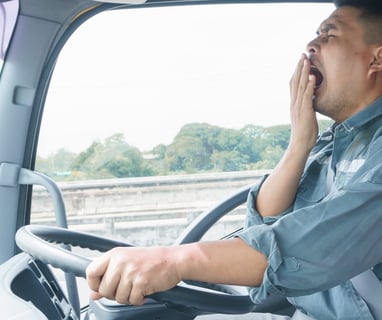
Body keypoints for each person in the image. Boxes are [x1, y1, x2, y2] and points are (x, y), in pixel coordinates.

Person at [86, 0, 382, 318]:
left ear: (377, 58)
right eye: (315, 34)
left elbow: (309, 247)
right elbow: (265, 220)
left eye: (329, 34)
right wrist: (299, 144)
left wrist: (169, 260)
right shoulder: (329, 145)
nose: (310, 45)